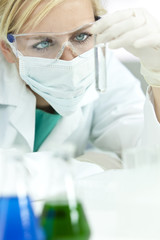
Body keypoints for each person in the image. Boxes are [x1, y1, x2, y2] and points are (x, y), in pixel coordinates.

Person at [0, 0, 159, 163]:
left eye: (81, 36)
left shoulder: (100, 64)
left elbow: (151, 155)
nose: (69, 60)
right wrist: (91, 168)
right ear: (7, 48)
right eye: (43, 43)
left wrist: (158, 77)